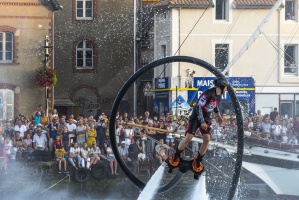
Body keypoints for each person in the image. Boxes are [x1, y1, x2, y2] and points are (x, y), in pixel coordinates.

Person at [169, 77, 228, 172]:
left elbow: (215, 106)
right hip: (196, 118)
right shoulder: (207, 94)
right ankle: (176, 155)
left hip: (206, 118)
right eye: (226, 87)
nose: (226, 89)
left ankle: (198, 159)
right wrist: (202, 122)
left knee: (207, 139)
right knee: (188, 137)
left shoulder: (219, 95)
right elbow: (198, 108)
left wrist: (219, 116)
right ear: (221, 86)